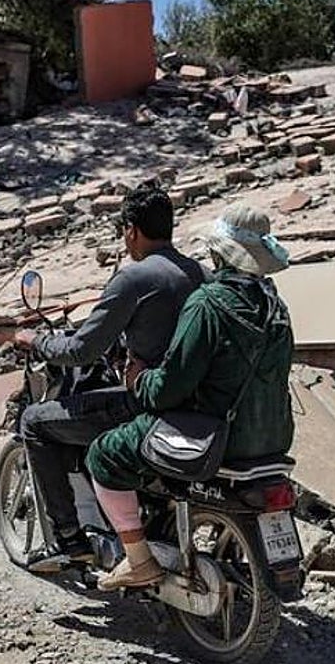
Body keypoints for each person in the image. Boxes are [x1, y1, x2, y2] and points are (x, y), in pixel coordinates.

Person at [85, 202, 295, 590]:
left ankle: (138, 560)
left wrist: (139, 380)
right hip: (273, 438)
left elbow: (169, 388)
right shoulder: (276, 307)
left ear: (219, 253)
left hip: (217, 439)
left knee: (104, 453)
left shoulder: (208, 304)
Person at [14, 182, 205, 573]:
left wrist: (37, 341)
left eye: (124, 230)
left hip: (148, 403)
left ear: (131, 230)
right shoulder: (202, 273)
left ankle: (69, 540)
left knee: (34, 422)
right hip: (198, 403)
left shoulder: (133, 279)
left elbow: (81, 350)